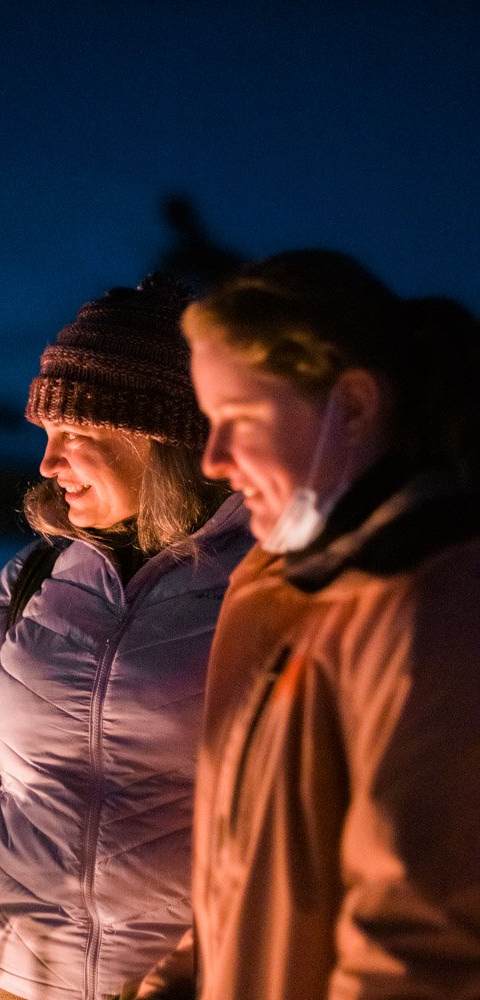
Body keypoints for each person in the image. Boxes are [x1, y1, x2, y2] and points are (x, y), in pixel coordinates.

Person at [0, 274, 253, 1000]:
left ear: (164, 441)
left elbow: (292, 816)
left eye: (76, 435)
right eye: (45, 435)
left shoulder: (261, 587)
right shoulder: (29, 581)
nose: (46, 463)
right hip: (20, 980)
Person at [129, 250, 480, 1000]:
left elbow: (415, 948)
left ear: (352, 404)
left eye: (238, 420)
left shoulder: (434, 606)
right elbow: (253, 859)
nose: (215, 461)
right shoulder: (282, 585)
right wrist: (188, 976)